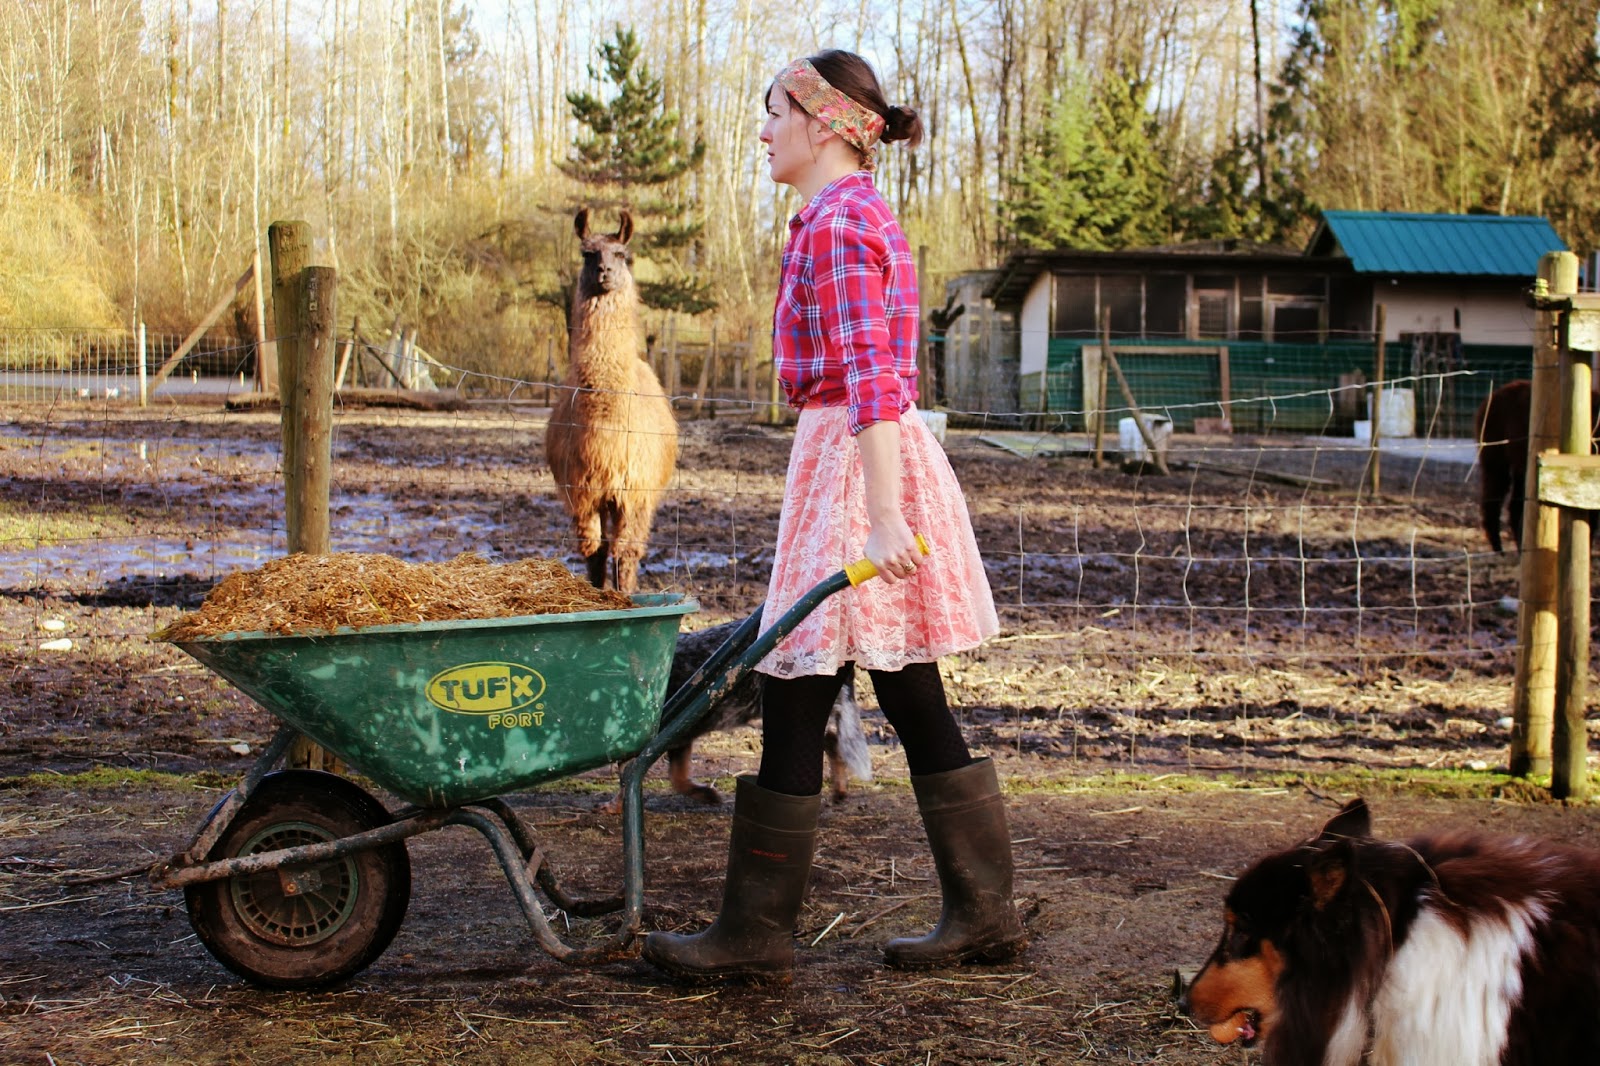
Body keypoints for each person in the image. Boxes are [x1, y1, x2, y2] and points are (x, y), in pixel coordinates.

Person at [641, 49, 1026, 984]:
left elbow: (872, 380)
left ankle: (759, 933)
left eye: (773, 110)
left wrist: (884, 517)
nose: (762, 128)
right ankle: (974, 915)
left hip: (862, 470)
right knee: (873, 684)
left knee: (810, 676)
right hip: (850, 461)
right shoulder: (835, 217)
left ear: (821, 124)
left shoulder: (840, 224)